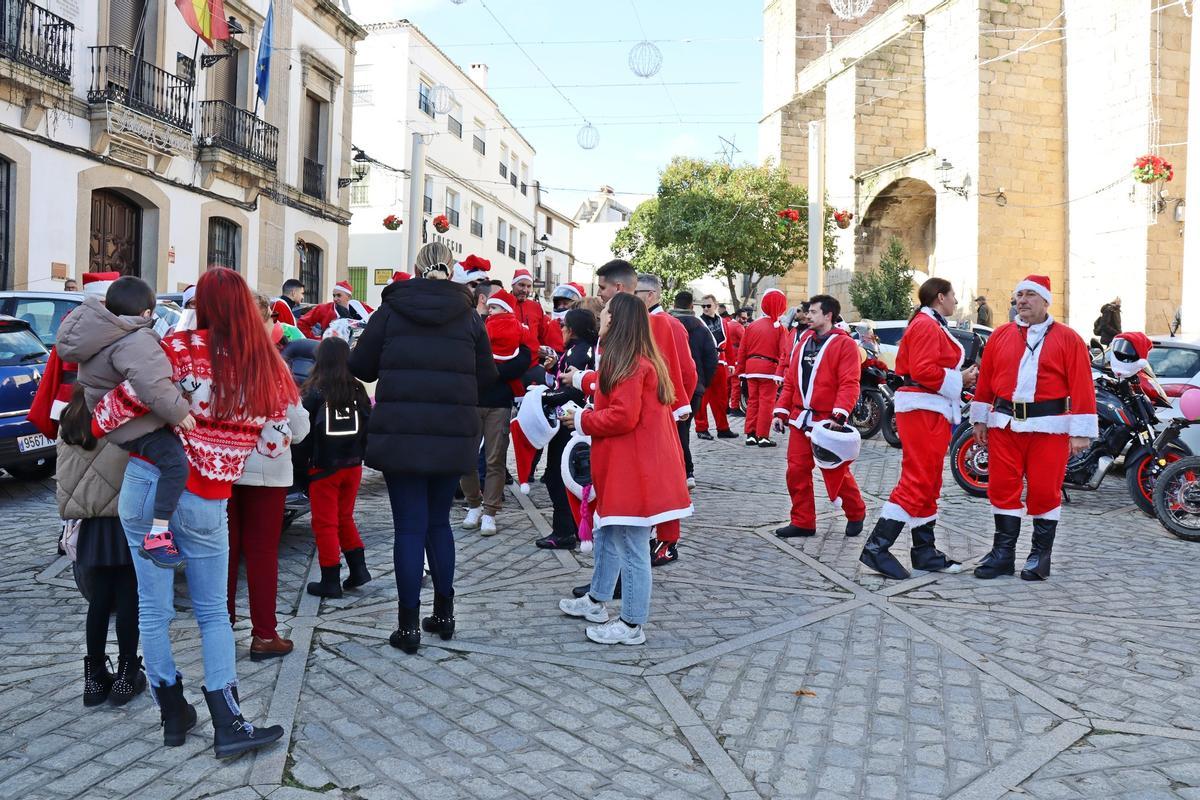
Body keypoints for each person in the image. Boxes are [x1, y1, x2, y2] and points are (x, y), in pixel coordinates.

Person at [93, 267, 291, 758]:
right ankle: (228, 721)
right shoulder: (266, 366)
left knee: (152, 608)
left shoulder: (178, 349)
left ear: (201, 305)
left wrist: (172, 418)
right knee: (213, 612)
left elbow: (116, 409)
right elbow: (276, 442)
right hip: (207, 498)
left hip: (146, 485)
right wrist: (228, 439)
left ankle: (173, 714)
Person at [349, 242, 498, 654]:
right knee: (439, 525)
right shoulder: (469, 316)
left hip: (401, 433)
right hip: (452, 432)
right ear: (452, 270)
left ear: (415, 269)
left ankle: (408, 625)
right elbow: (487, 375)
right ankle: (445, 615)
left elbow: (360, 366)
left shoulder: (391, 310)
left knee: (409, 528)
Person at [557, 293, 692, 645]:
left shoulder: (631, 363)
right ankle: (597, 600)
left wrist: (582, 419)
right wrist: (584, 392)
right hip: (629, 468)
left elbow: (622, 416)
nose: (600, 316)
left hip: (635, 472)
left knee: (632, 547)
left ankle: (632, 624)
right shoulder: (633, 359)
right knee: (608, 534)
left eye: (605, 312)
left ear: (615, 320)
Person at [56, 277, 196, 570]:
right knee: (176, 465)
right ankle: (159, 534)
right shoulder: (135, 339)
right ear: (146, 313)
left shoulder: (99, 334)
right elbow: (153, 384)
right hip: (134, 424)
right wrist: (179, 412)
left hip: (109, 420)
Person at [970, 275, 1097, 581]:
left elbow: (1081, 385)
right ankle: (1002, 555)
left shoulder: (1068, 338)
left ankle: (1040, 555)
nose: (1022, 301)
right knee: (1002, 488)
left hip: (1049, 429)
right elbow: (986, 379)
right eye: (1019, 295)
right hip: (1004, 426)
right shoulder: (1000, 335)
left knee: (1044, 490)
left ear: (1045, 301)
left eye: (1030, 295)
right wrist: (979, 417)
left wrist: (1080, 431)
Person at [860, 279, 978, 578]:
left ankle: (924, 551)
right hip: (923, 409)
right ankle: (876, 548)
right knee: (918, 480)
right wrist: (960, 379)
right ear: (940, 297)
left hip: (928, 407)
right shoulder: (926, 325)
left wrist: (956, 379)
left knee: (929, 481)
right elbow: (924, 370)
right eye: (953, 295)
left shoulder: (928, 323)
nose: (955, 301)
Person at [227, 294, 311, 661]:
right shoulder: (274, 366)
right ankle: (264, 634)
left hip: (223, 468)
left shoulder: (215, 361)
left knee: (225, 553)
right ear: (262, 322)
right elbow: (300, 427)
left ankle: (221, 627)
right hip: (267, 469)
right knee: (262, 553)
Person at [57, 387, 144, 707]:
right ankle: (126, 673)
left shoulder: (70, 417)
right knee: (128, 596)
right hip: (123, 517)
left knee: (99, 600)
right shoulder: (118, 415)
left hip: (91, 523)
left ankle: (94, 678)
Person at [773, 294, 867, 538]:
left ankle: (856, 511)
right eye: (808, 311)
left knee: (835, 472)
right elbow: (791, 381)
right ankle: (803, 521)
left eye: (813, 312)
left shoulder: (845, 344)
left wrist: (839, 415)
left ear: (828, 315)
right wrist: (781, 411)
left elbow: (849, 383)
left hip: (827, 422)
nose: (808, 316)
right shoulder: (803, 340)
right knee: (796, 471)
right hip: (799, 419)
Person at [300, 338, 373, 598]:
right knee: (344, 517)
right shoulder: (357, 389)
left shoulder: (314, 391)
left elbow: (304, 432)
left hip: (324, 468)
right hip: (353, 466)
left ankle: (330, 579)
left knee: (325, 524)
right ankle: (359, 569)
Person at [634, 272, 697, 566]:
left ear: (650, 295)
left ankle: (667, 541)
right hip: (644, 413)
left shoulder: (668, 324)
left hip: (664, 412)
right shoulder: (640, 322)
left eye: (635, 293)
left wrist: (674, 408)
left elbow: (686, 371)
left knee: (666, 479)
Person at [460, 290, 533, 536]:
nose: (490, 310)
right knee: (466, 459)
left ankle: (490, 511)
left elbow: (523, 360)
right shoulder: (478, 328)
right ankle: (473, 505)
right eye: (488, 306)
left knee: (495, 459)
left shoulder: (518, 332)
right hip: (472, 401)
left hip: (500, 403)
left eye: (495, 307)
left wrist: (492, 372)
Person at [536, 307, 599, 550]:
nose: (560, 329)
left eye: (563, 326)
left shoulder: (578, 352)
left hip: (570, 423)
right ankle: (574, 526)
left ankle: (564, 531)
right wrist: (554, 369)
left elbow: (572, 391)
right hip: (575, 421)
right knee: (568, 475)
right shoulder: (579, 349)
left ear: (571, 330)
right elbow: (566, 379)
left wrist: (543, 398)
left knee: (558, 476)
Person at [669, 290, 718, 486]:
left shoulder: (665, 324)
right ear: (692, 306)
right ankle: (685, 471)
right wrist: (703, 384)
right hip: (695, 387)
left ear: (674, 304)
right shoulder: (701, 328)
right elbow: (711, 359)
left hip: (670, 386)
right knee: (684, 429)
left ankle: (684, 470)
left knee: (673, 431)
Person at [736, 289, 791, 447]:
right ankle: (763, 436)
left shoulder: (752, 325)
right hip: (769, 369)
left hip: (751, 368)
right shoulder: (779, 328)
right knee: (767, 403)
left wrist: (740, 371)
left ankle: (750, 434)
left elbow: (742, 349)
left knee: (752, 401)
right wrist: (782, 372)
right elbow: (784, 352)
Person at [696, 293, 738, 440]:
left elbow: (729, 345)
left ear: (715, 305)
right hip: (704, 364)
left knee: (721, 398)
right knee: (703, 398)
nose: (705, 308)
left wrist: (731, 363)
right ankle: (701, 428)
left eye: (708, 305)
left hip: (721, 363)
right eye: (703, 306)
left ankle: (723, 428)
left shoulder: (723, 321)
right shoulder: (698, 322)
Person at [298, 280, 373, 339]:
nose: (335, 299)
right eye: (334, 295)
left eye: (339, 295)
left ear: (349, 297)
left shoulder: (359, 306)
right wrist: (315, 340)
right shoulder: (324, 308)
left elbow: (375, 318)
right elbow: (302, 323)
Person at [510, 267, 555, 351]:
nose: (525, 290)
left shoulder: (536, 307)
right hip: (509, 356)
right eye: (521, 285)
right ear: (513, 285)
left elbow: (543, 334)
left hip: (533, 357)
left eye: (529, 286)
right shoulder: (503, 304)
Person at [726, 308, 749, 417]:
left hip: (728, 356)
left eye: (746, 318)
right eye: (743, 318)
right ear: (737, 317)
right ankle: (734, 407)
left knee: (728, 384)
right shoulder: (738, 327)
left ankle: (725, 406)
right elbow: (746, 341)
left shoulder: (727, 324)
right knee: (736, 383)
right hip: (736, 357)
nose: (745, 320)